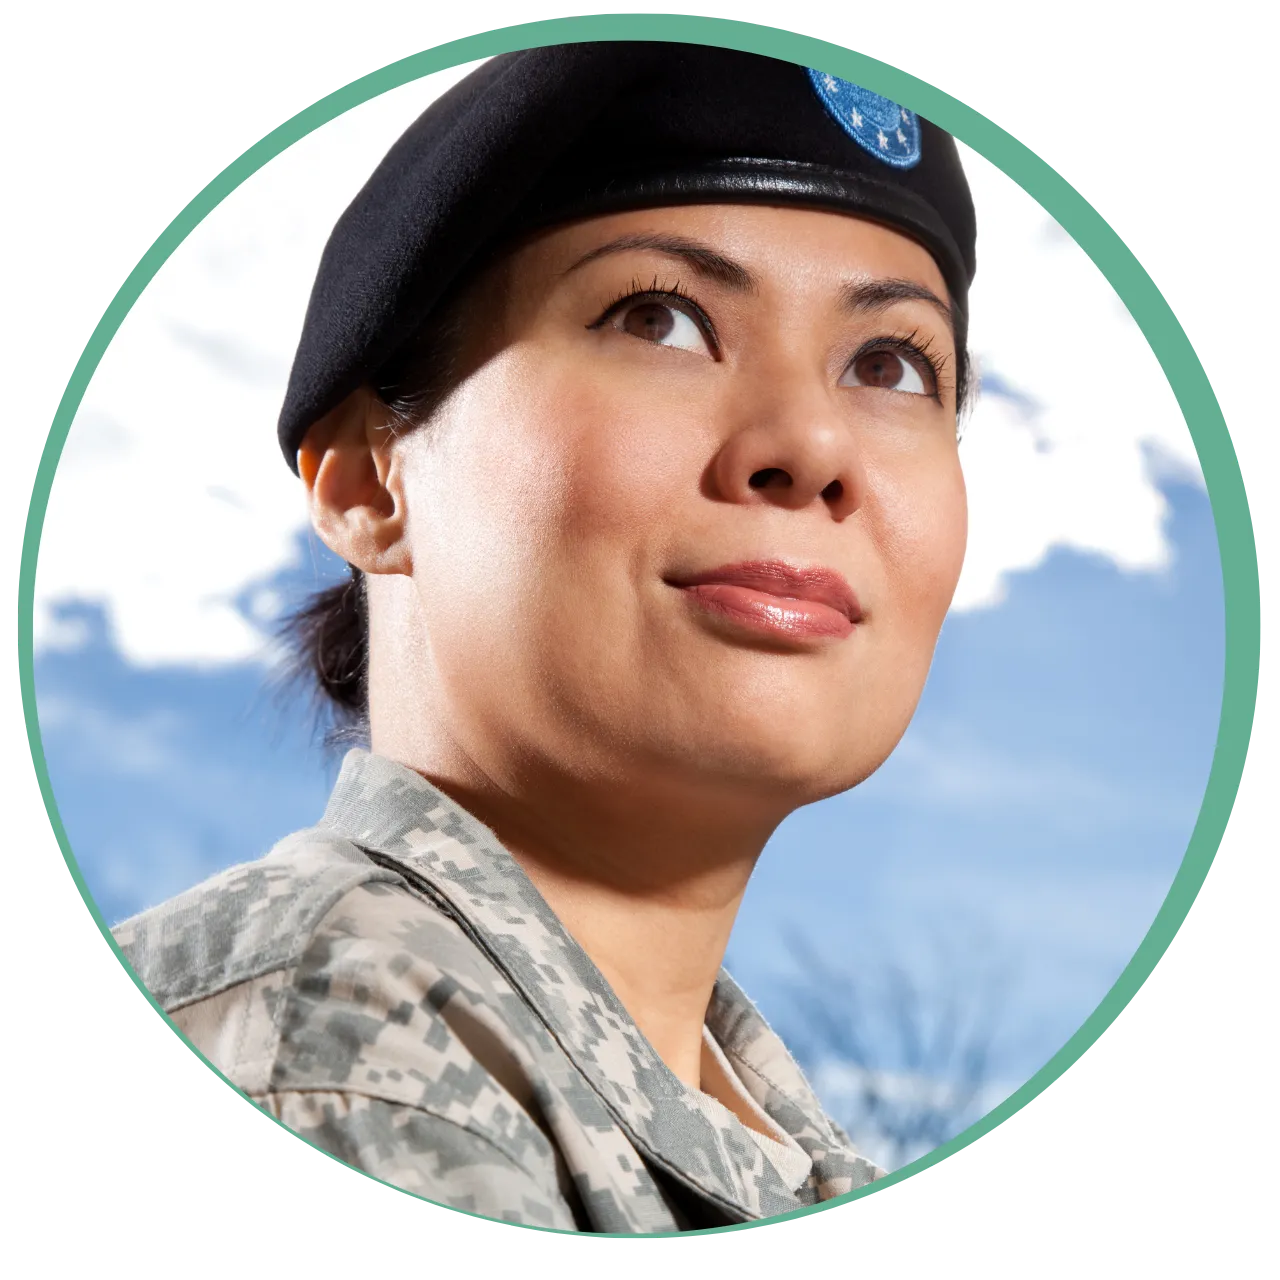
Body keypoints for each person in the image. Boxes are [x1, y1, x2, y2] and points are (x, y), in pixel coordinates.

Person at [112, 42, 976, 1233]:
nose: (810, 445)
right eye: (658, 318)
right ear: (368, 479)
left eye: (890, 364)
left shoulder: (775, 1144)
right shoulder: (339, 1043)